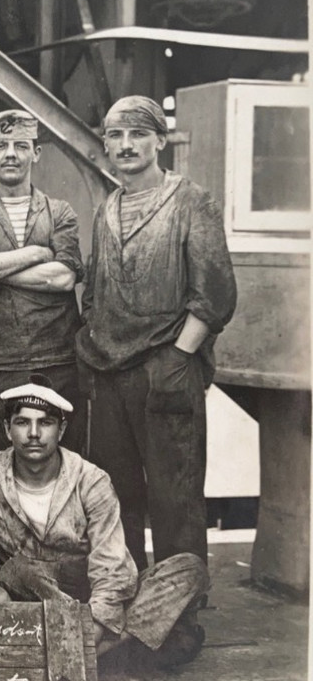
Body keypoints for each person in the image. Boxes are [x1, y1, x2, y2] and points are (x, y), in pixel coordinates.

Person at [76, 96, 237, 572]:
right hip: (109, 372)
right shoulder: (108, 209)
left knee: (175, 495)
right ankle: (127, 599)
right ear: (105, 144)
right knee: (116, 495)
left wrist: (177, 358)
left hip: (166, 366)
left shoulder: (191, 201)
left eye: (137, 134)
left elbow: (216, 293)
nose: (125, 146)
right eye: (115, 136)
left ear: (160, 141)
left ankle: (180, 609)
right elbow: (96, 293)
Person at [0, 376, 210, 668]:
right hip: (26, 595)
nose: (33, 433)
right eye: (22, 422)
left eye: (45, 423)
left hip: (86, 592)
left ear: (62, 429)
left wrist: (96, 623)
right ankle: (115, 650)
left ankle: (77, 649)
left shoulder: (90, 480)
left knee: (188, 569)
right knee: (15, 574)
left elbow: (111, 563)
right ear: (7, 429)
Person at [0, 109, 85, 453]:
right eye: (1, 145)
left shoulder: (60, 212)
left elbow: (64, 276)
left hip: (55, 356)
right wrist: (35, 253)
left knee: (59, 460)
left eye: (21, 145)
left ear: (36, 153)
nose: (11, 153)